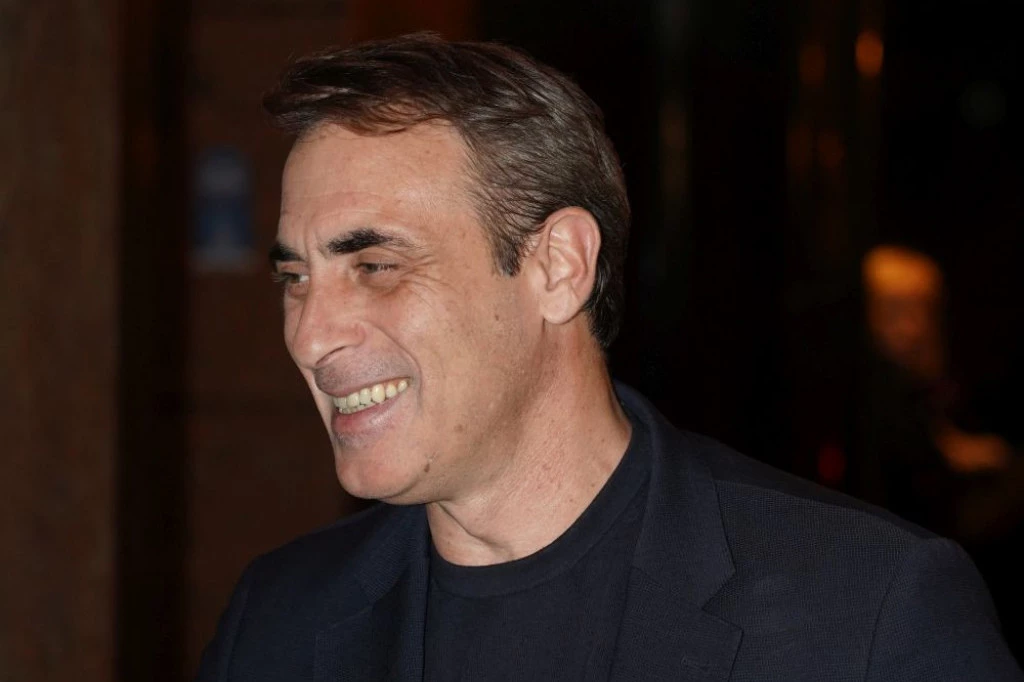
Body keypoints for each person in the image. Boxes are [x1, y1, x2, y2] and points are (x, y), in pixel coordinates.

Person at [196, 33, 1022, 680]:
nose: (311, 335)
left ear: (559, 268)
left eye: (376, 266)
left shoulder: (866, 613)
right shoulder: (280, 618)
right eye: (295, 278)